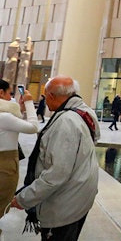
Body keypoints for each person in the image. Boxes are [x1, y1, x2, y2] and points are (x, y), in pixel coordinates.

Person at [11, 76, 100, 240]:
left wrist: (24, 198)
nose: (45, 101)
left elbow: (56, 174)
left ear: (51, 96)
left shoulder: (66, 122)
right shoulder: (84, 111)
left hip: (65, 205)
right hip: (79, 198)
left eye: (45, 96)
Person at [0, 80, 37, 215]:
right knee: (3, 202)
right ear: (1, 93)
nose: (11, 98)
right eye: (9, 94)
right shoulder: (4, 117)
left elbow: (11, 124)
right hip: (5, 166)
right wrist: (29, 103)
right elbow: (33, 127)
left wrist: (20, 109)